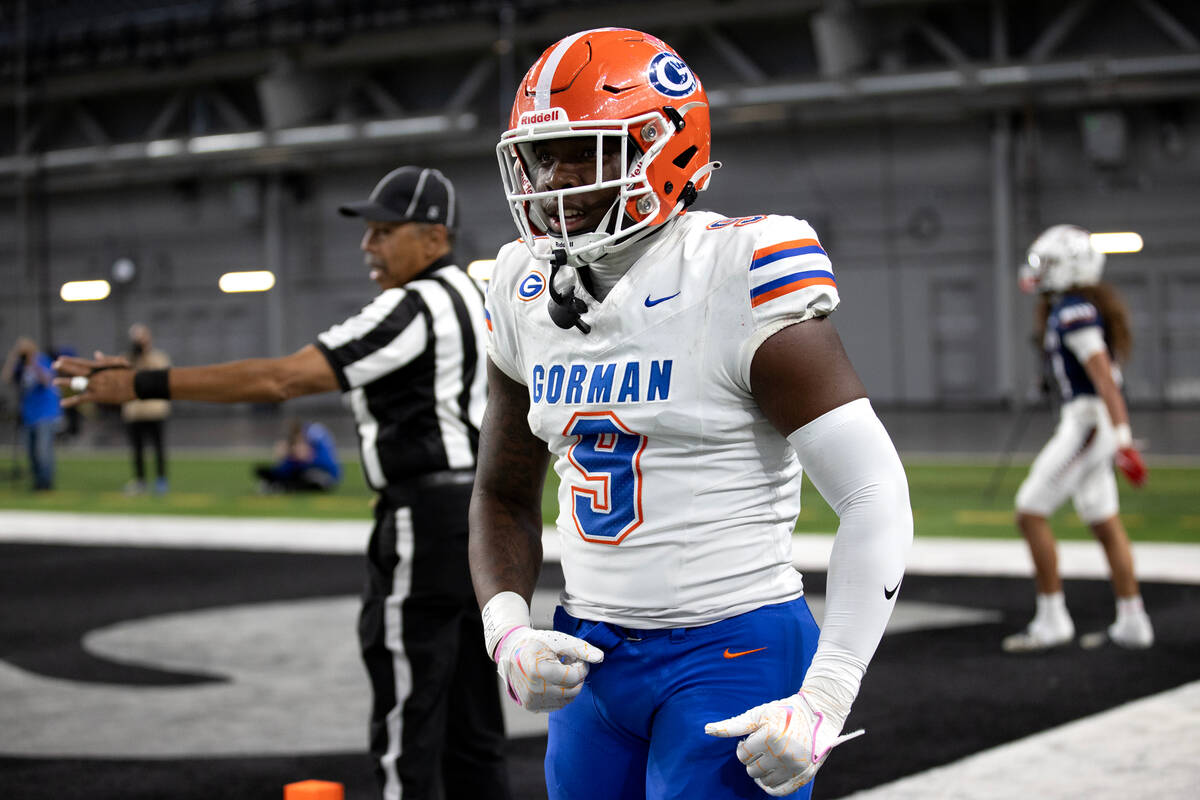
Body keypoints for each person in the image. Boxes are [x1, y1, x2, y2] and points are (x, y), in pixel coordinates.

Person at [470, 28, 913, 800]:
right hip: (592, 651)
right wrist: (506, 629)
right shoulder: (521, 286)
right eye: (544, 157)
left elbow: (875, 496)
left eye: (587, 152)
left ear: (663, 148)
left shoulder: (740, 271)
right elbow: (503, 490)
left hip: (733, 647)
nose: (557, 177)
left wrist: (825, 698)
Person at [54, 166, 509, 800]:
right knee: (475, 718)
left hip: (425, 519)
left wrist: (138, 382)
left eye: (383, 232)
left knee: (410, 716)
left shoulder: (412, 307)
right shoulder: (476, 296)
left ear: (434, 238)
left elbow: (281, 380)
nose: (366, 247)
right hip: (482, 517)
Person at [1002, 224, 1154, 652]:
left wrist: (1124, 440)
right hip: (1091, 421)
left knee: (1030, 512)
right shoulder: (1071, 306)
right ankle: (1133, 621)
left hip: (1088, 423)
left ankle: (1052, 620)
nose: (1040, 271)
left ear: (1070, 266)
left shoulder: (1072, 310)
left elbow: (1105, 379)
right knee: (1104, 521)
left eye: (1047, 263)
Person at [3, 336, 62, 491]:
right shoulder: (20, 365)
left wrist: (32, 362)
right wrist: (13, 357)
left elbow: (46, 380)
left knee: (43, 450)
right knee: (30, 452)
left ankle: (46, 483)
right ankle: (37, 482)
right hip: (29, 414)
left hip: (45, 413)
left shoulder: (42, 360)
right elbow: (6, 378)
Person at [122, 323, 172, 495]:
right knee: (137, 450)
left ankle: (161, 479)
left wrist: (145, 356)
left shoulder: (158, 357)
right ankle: (140, 480)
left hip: (154, 411)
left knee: (158, 449)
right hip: (135, 412)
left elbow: (161, 376)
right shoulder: (128, 358)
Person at [255, 418, 342, 492]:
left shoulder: (315, 439)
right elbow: (289, 467)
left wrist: (309, 458)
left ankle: (281, 486)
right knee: (264, 471)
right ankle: (278, 484)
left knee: (308, 478)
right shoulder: (299, 444)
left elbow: (327, 463)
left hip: (324, 476)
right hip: (305, 472)